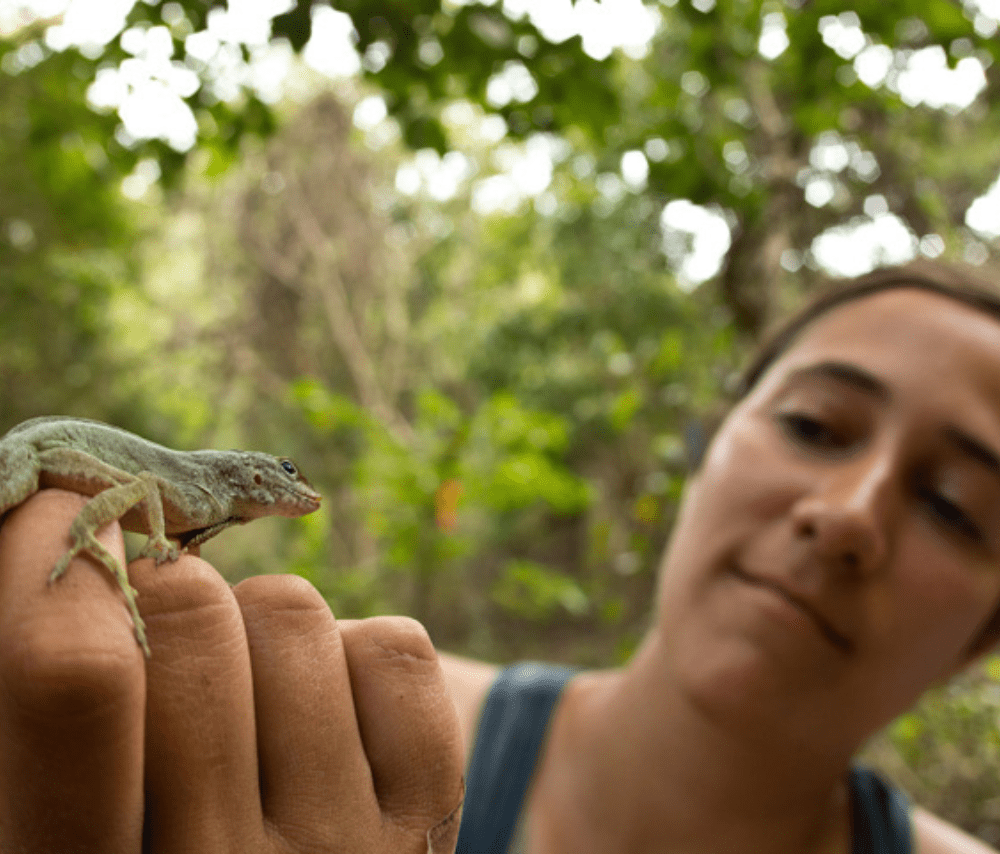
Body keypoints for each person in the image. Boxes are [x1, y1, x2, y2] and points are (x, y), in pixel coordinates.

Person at [0, 259, 999, 853]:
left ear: (986, 636)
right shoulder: (306, 722)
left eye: (955, 507)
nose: (846, 514)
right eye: (817, 425)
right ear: (705, 447)